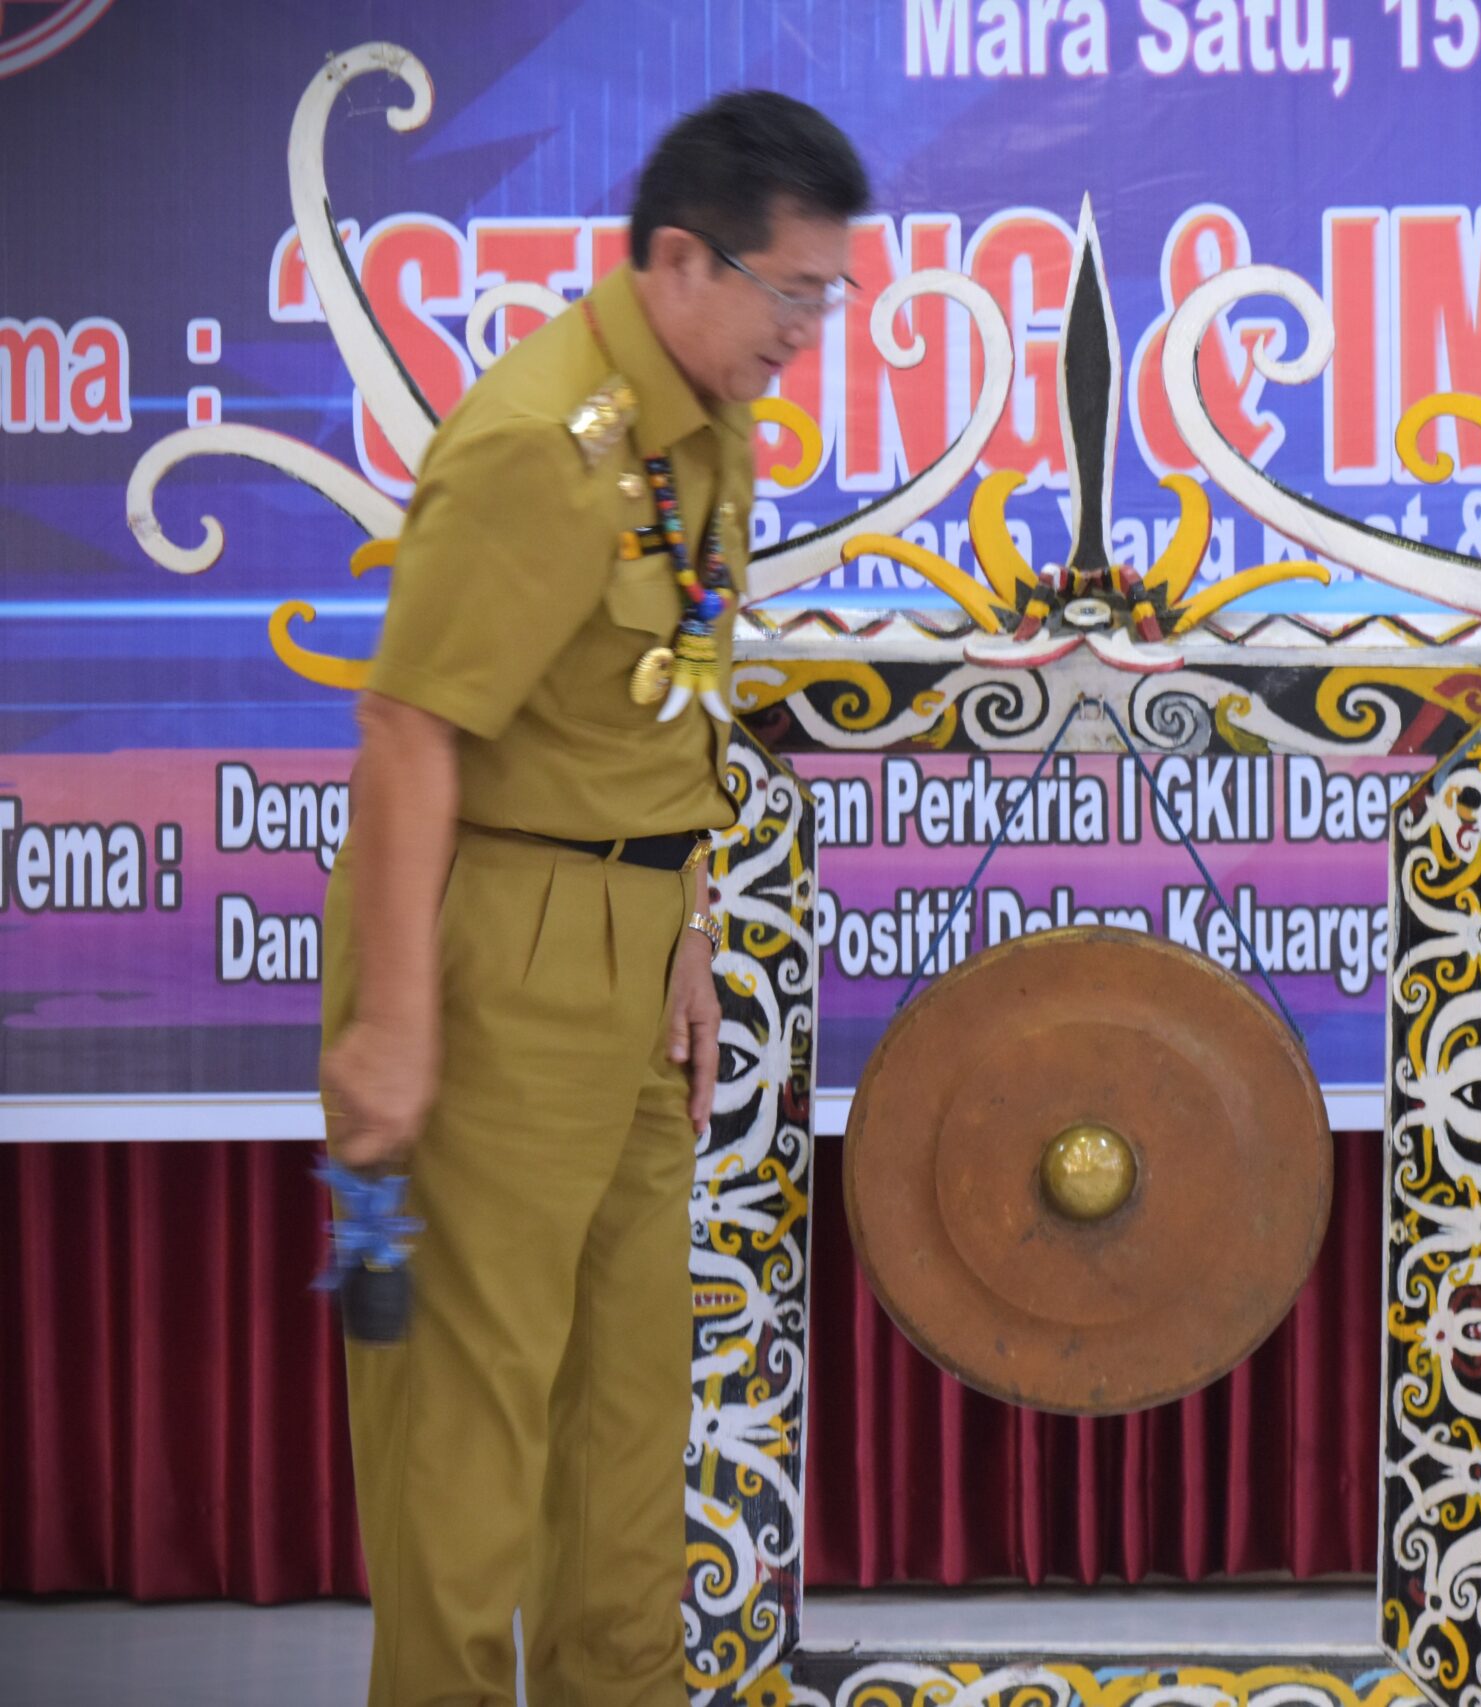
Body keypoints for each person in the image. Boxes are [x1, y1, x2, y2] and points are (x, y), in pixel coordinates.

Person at [317, 93, 868, 1706]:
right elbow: (410, 727)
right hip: (500, 942)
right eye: (790, 292)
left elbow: (664, 698)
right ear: (682, 259)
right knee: (470, 1425)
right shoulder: (537, 444)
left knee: (628, 1420)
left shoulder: (705, 425)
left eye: (827, 295)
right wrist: (394, 1029)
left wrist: (686, 927)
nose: (807, 332)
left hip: (634, 944)